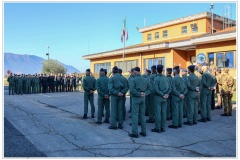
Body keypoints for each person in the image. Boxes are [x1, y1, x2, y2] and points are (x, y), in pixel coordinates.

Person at [129, 67, 151, 138]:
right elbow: (150, 88)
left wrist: (139, 94)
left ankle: (135, 133)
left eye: (133, 71)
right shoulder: (145, 80)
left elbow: (132, 90)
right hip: (142, 99)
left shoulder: (133, 79)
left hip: (136, 98)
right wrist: (145, 93)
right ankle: (143, 132)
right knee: (142, 115)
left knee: (135, 115)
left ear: (135, 71)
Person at [151, 65, 169, 133]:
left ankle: (157, 128)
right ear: (163, 70)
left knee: (158, 112)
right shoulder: (166, 78)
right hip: (165, 97)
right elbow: (169, 87)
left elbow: (156, 89)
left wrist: (162, 94)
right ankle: (163, 127)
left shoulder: (156, 78)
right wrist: (166, 94)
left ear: (156, 70)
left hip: (158, 97)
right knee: (163, 112)